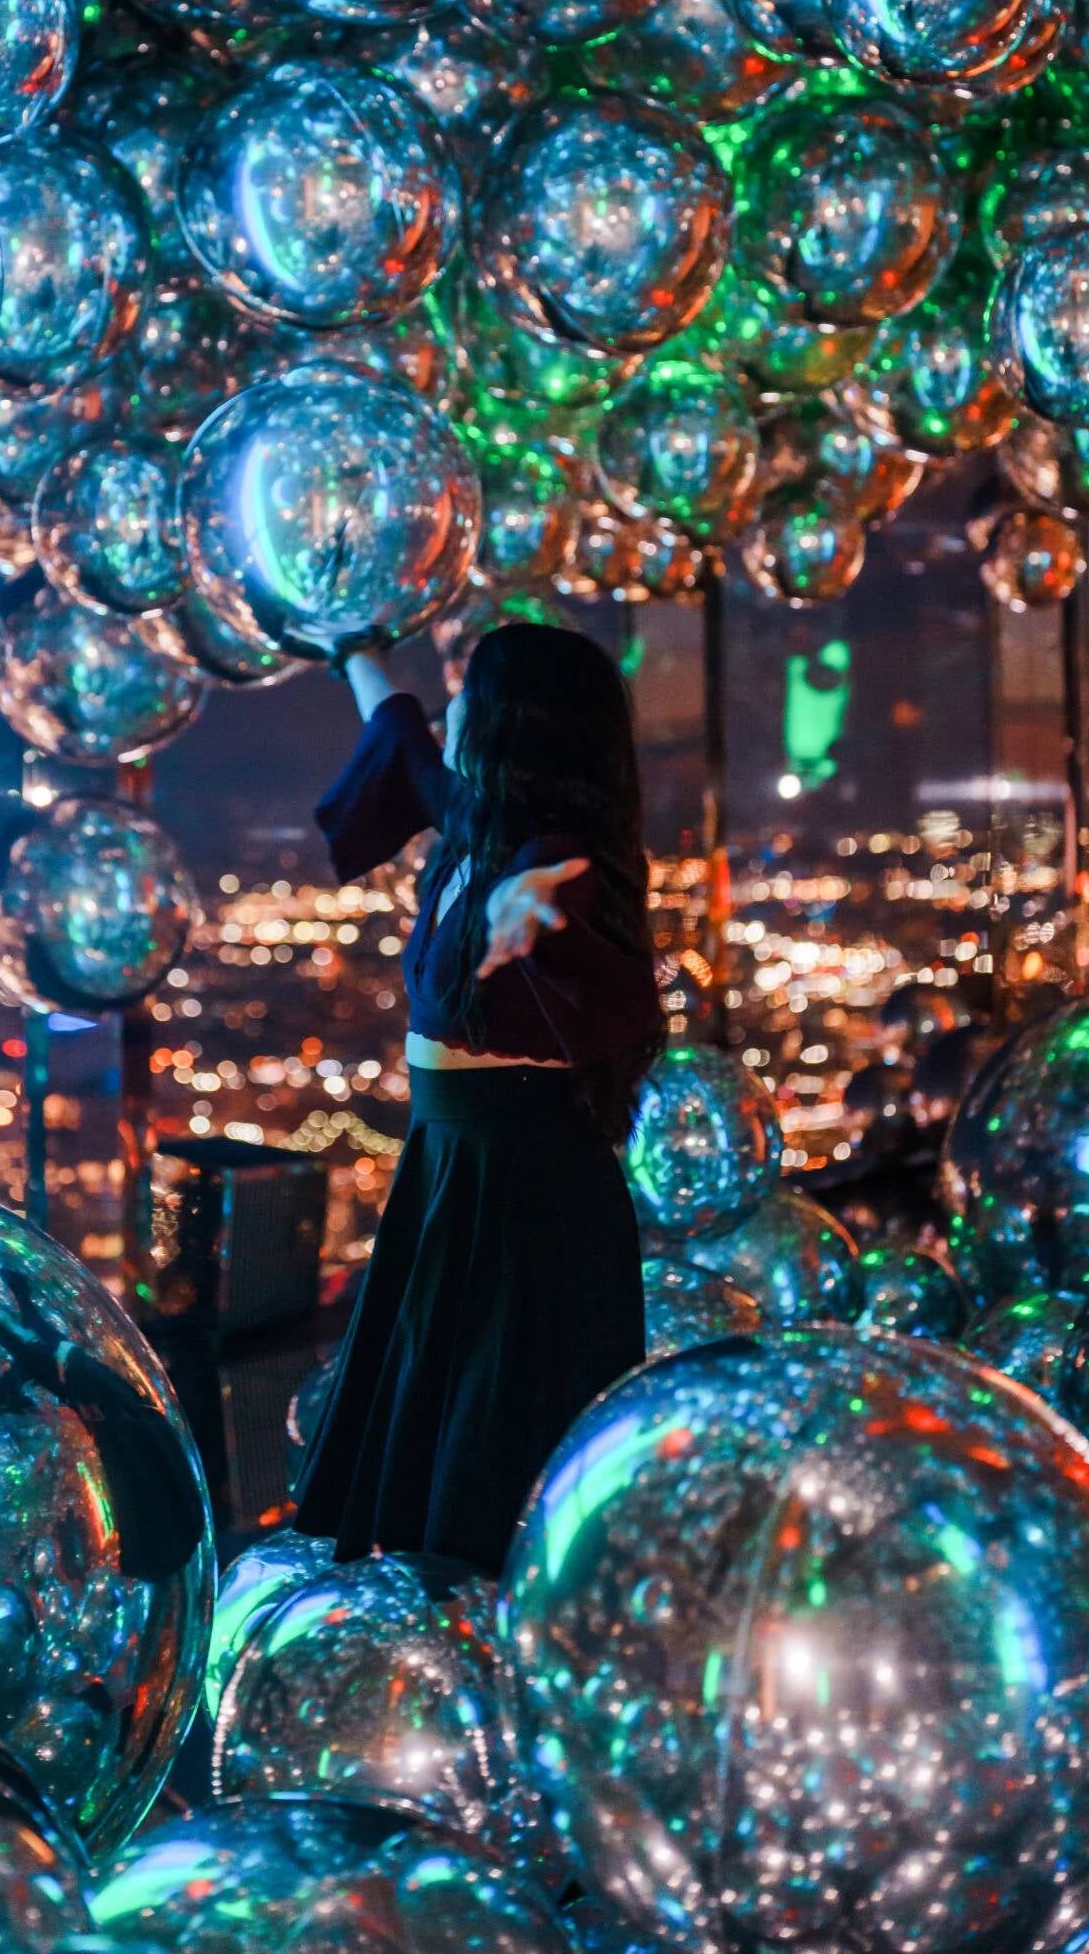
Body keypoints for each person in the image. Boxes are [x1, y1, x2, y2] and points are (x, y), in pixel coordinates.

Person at [293, 619, 663, 1579]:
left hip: (523, 1191)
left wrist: (534, 911)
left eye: (468, 689)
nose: (451, 701)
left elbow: (608, 981)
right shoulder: (474, 824)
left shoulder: (543, 853)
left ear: (509, 721)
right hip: (456, 1169)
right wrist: (352, 648)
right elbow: (402, 739)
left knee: (490, 1440)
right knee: (447, 1420)